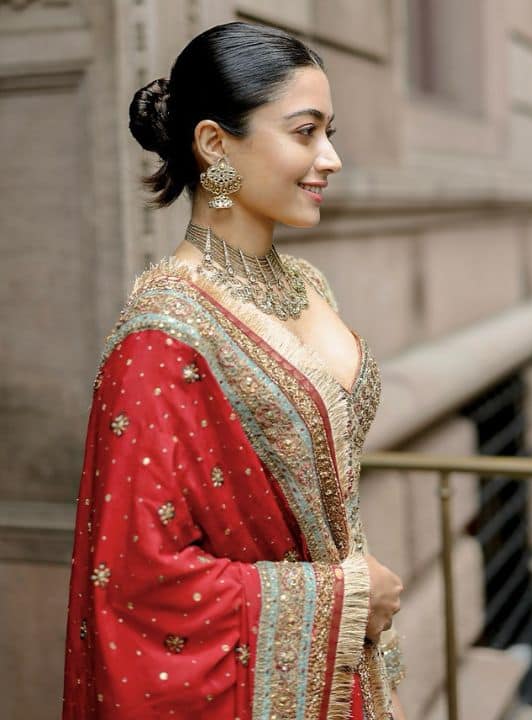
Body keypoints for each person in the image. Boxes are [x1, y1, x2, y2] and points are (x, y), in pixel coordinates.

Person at [62, 22, 407, 719]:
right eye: (305, 132)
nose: (331, 158)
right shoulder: (163, 337)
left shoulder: (308, 283)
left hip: (355, 678)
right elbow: (137, 584)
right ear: (215, 144)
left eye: (328, 131)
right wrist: (344, 596)